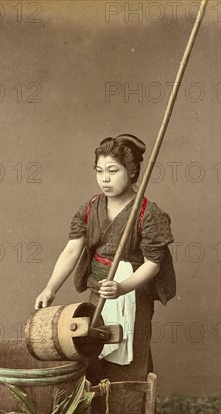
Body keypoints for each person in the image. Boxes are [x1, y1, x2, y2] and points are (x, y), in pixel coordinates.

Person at [35, 134, 176, 394]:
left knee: (131, 354)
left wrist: (122, 288)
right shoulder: (90, 209)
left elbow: (152, 264)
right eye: (99, 171)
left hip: (134, 293)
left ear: (132, 172)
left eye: (113, 171)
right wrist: (50, 288)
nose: (105, 179)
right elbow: (71, 250)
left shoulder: (148, 213)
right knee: (92, 350)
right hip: (99, 289)